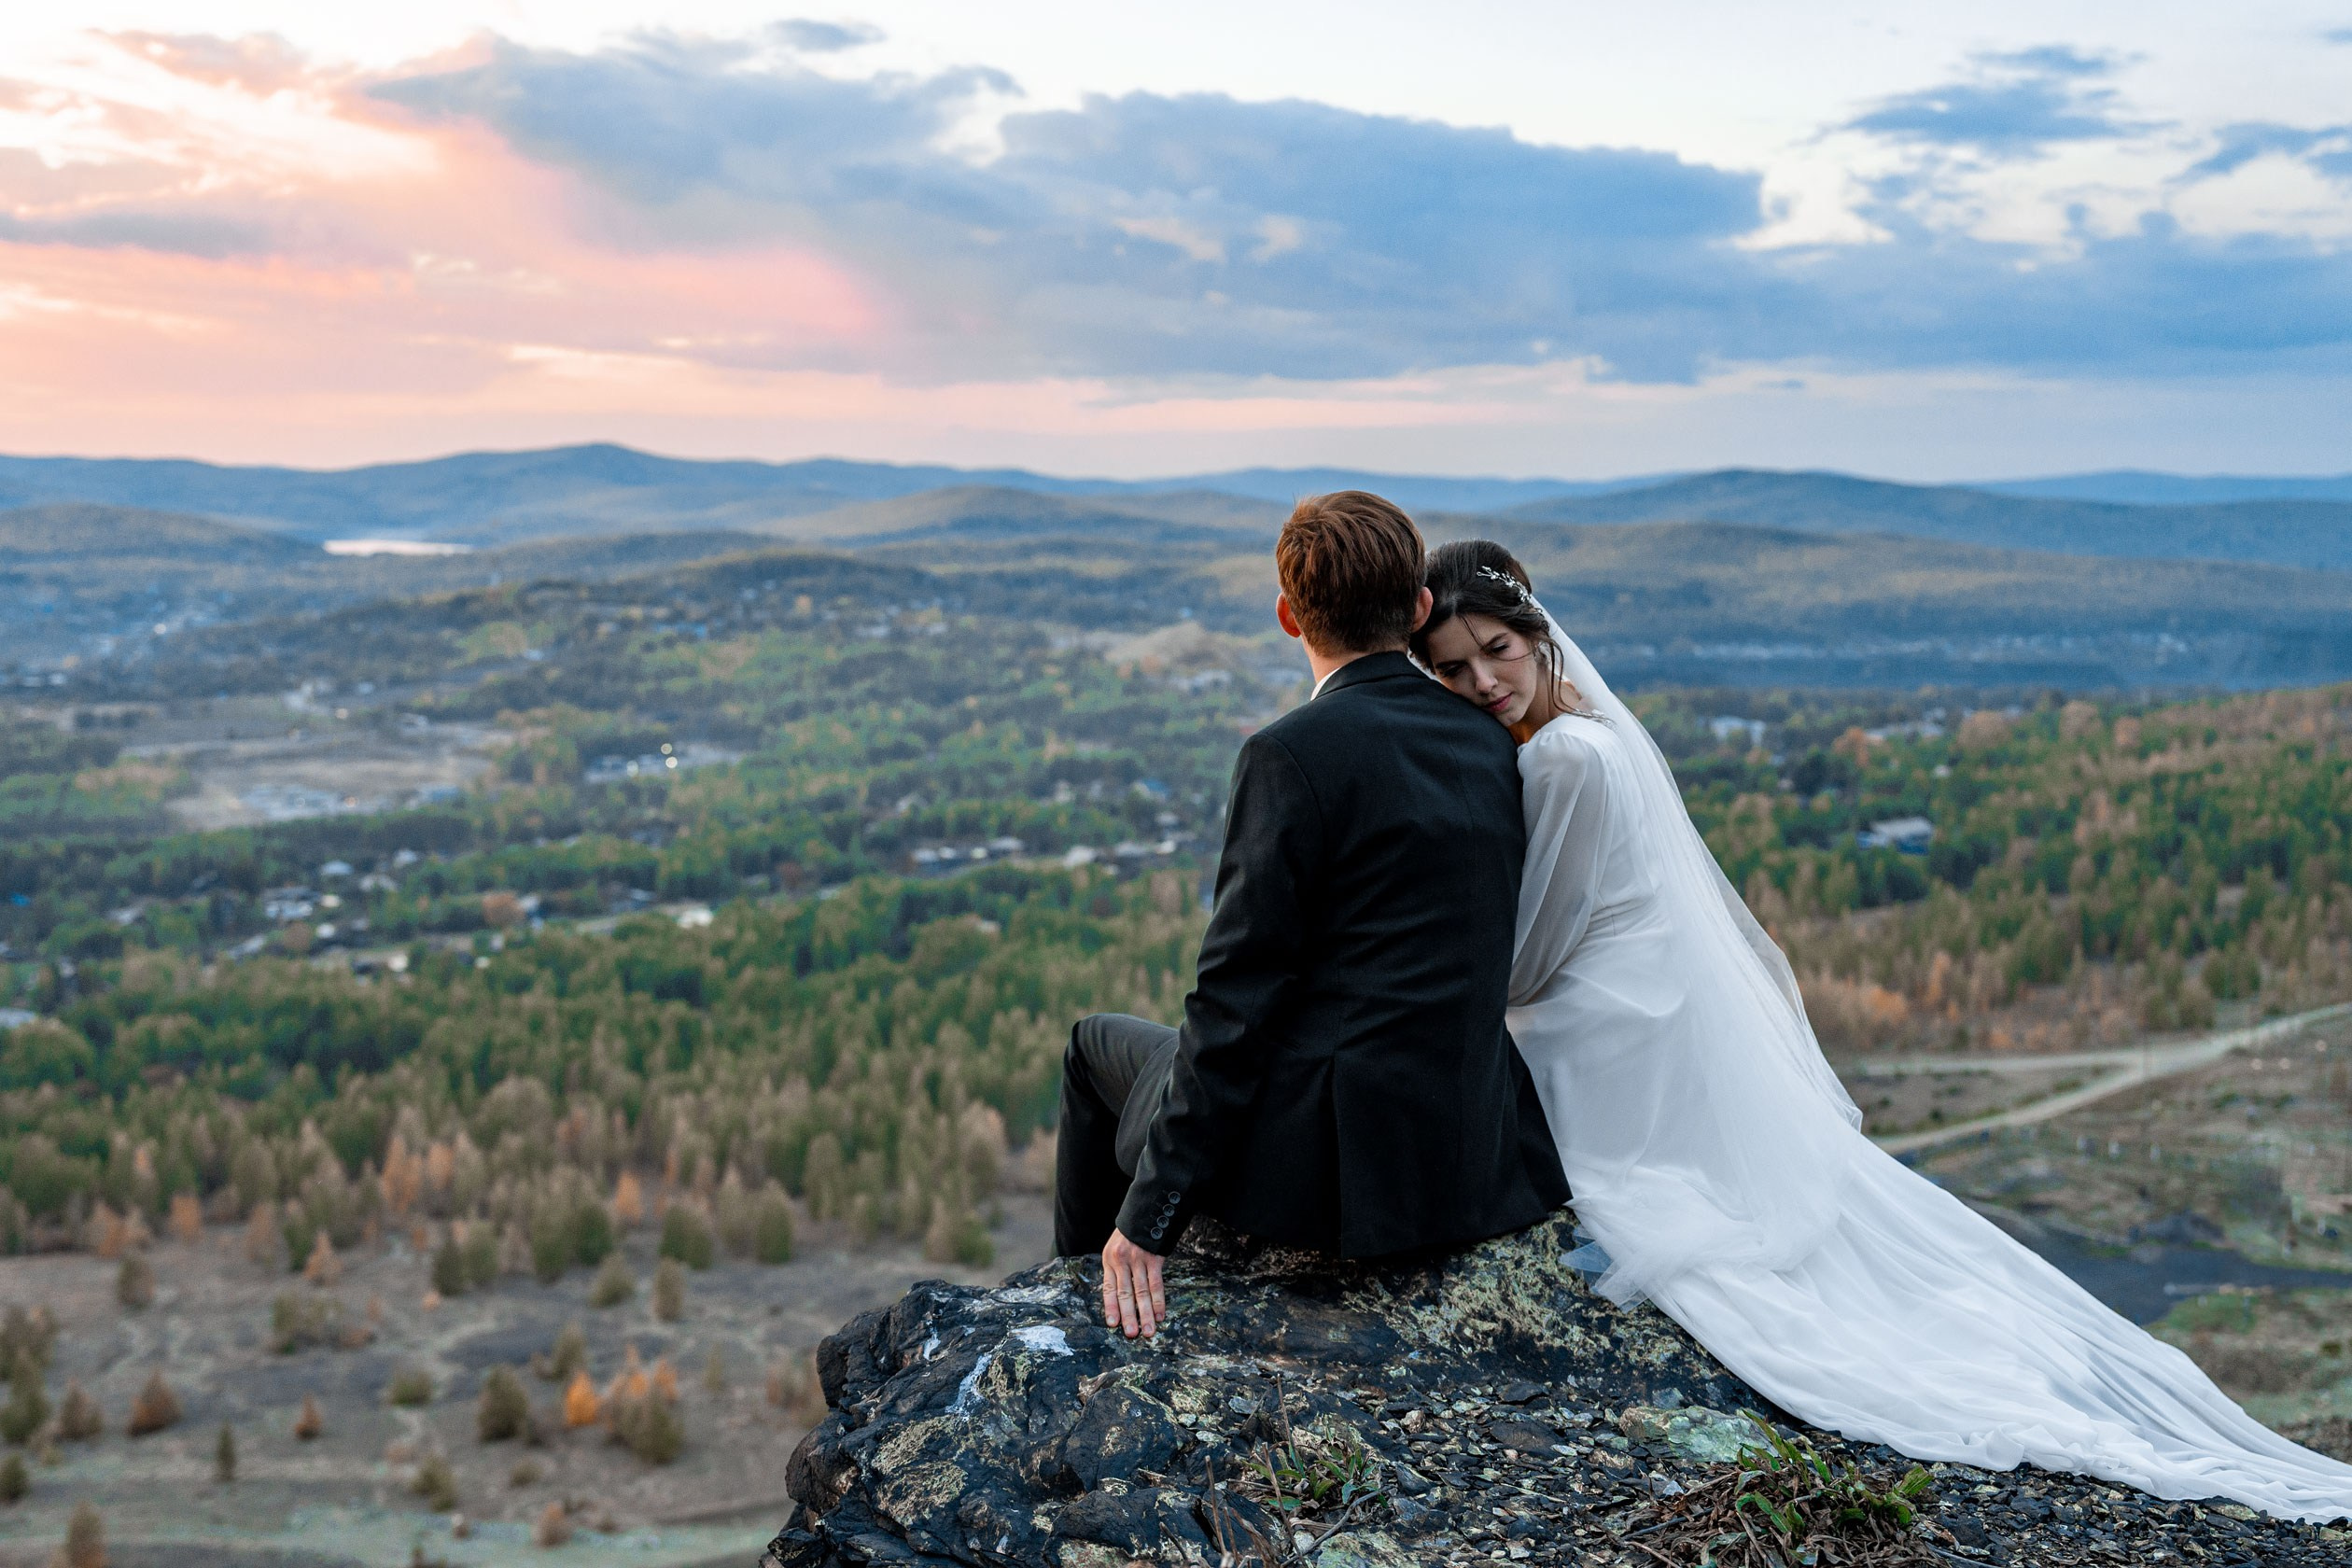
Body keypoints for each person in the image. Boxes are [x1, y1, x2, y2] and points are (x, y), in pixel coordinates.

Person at [1411, 537, 2352, 1522]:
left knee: (1633, 1205)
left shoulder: (1563, 756)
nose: (1480, 681)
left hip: (1611, 1027)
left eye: (1497, 653)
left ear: (1538, 638)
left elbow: (1537, 950)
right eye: (1452, 669)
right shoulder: (1591, 729)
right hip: (1647, 1005)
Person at [1054, 493, 1569, 1340]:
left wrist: (1149, 1217)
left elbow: (1233, 1004)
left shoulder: (1288, 755)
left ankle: (1089, 1296)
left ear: (1290, 617)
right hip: (1472, 1161)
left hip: (1333, 1182)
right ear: (1417, 610)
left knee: (1091, 1048)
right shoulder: (1488, 736)